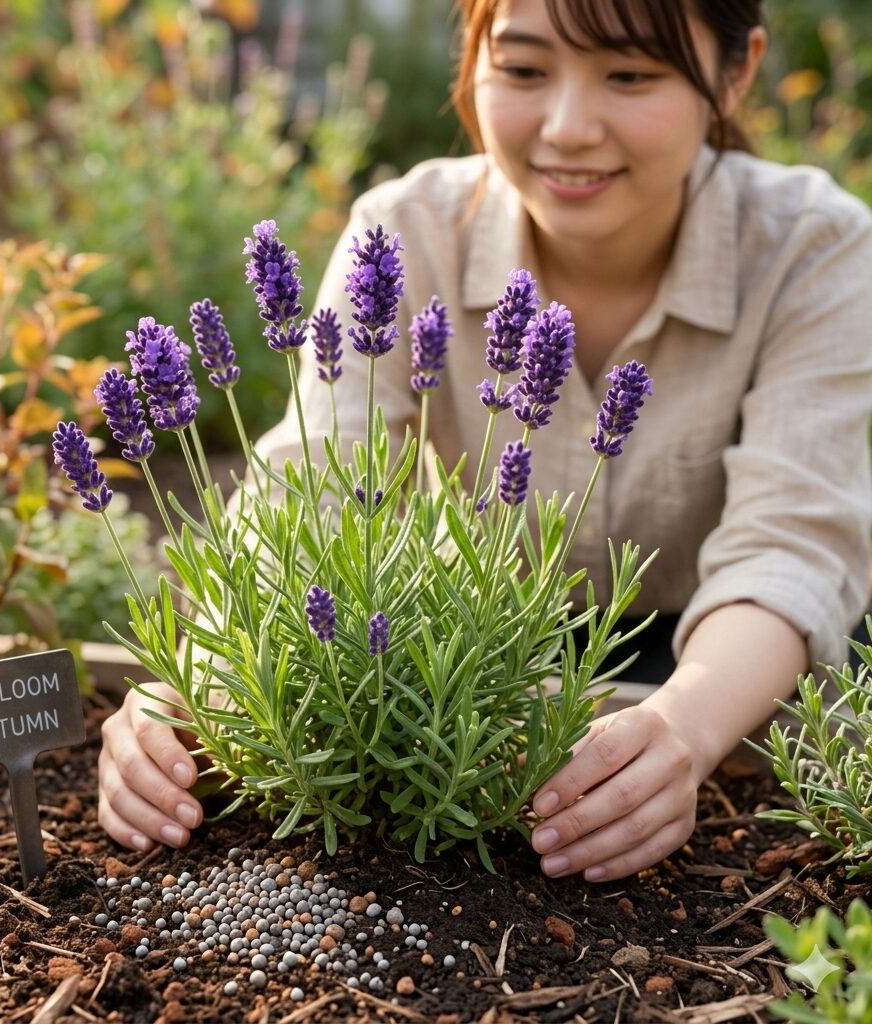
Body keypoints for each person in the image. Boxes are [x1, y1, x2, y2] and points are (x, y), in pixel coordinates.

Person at [98, 0, 872, 883]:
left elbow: (794, 545)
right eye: (526, 69)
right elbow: (306, 485)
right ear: (473, 58)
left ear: (735, 72)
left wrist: (684, 731)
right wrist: (193, 679)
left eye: (629, 74)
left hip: (718, 662)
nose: (569, 128)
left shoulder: (813, 246)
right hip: (465, 661)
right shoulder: (408, 229)